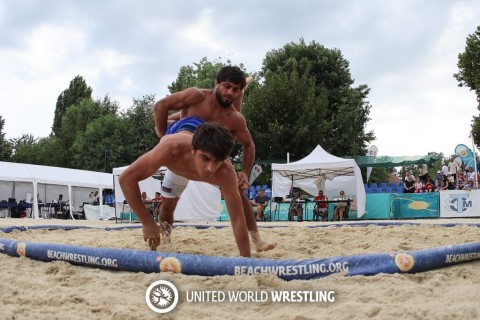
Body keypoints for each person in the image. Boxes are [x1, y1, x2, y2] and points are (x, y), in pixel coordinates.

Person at [153, 66, 275, 252]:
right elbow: (160, 106)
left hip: (212, 161)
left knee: (238, 193)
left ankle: (257, 240)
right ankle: (166, 238)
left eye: (235, 89)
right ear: (216, 83)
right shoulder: (196, 97)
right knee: (168, 206)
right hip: (184, 159)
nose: (229, 92)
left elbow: (249, 145)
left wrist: (244, 172)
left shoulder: (234, 118)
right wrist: (164, 139)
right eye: (227, 86)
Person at [119, 122, 251, 257]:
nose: (209, 168)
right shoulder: (170, 149)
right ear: (193, 150)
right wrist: (147, 222)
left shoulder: (225, 172)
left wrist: (246, 259)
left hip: (193, 137)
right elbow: (126, 179)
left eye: (217, 161)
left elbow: (237, 218)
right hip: (177, 159)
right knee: (167, 208)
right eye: (205, 158)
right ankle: (165, 239)